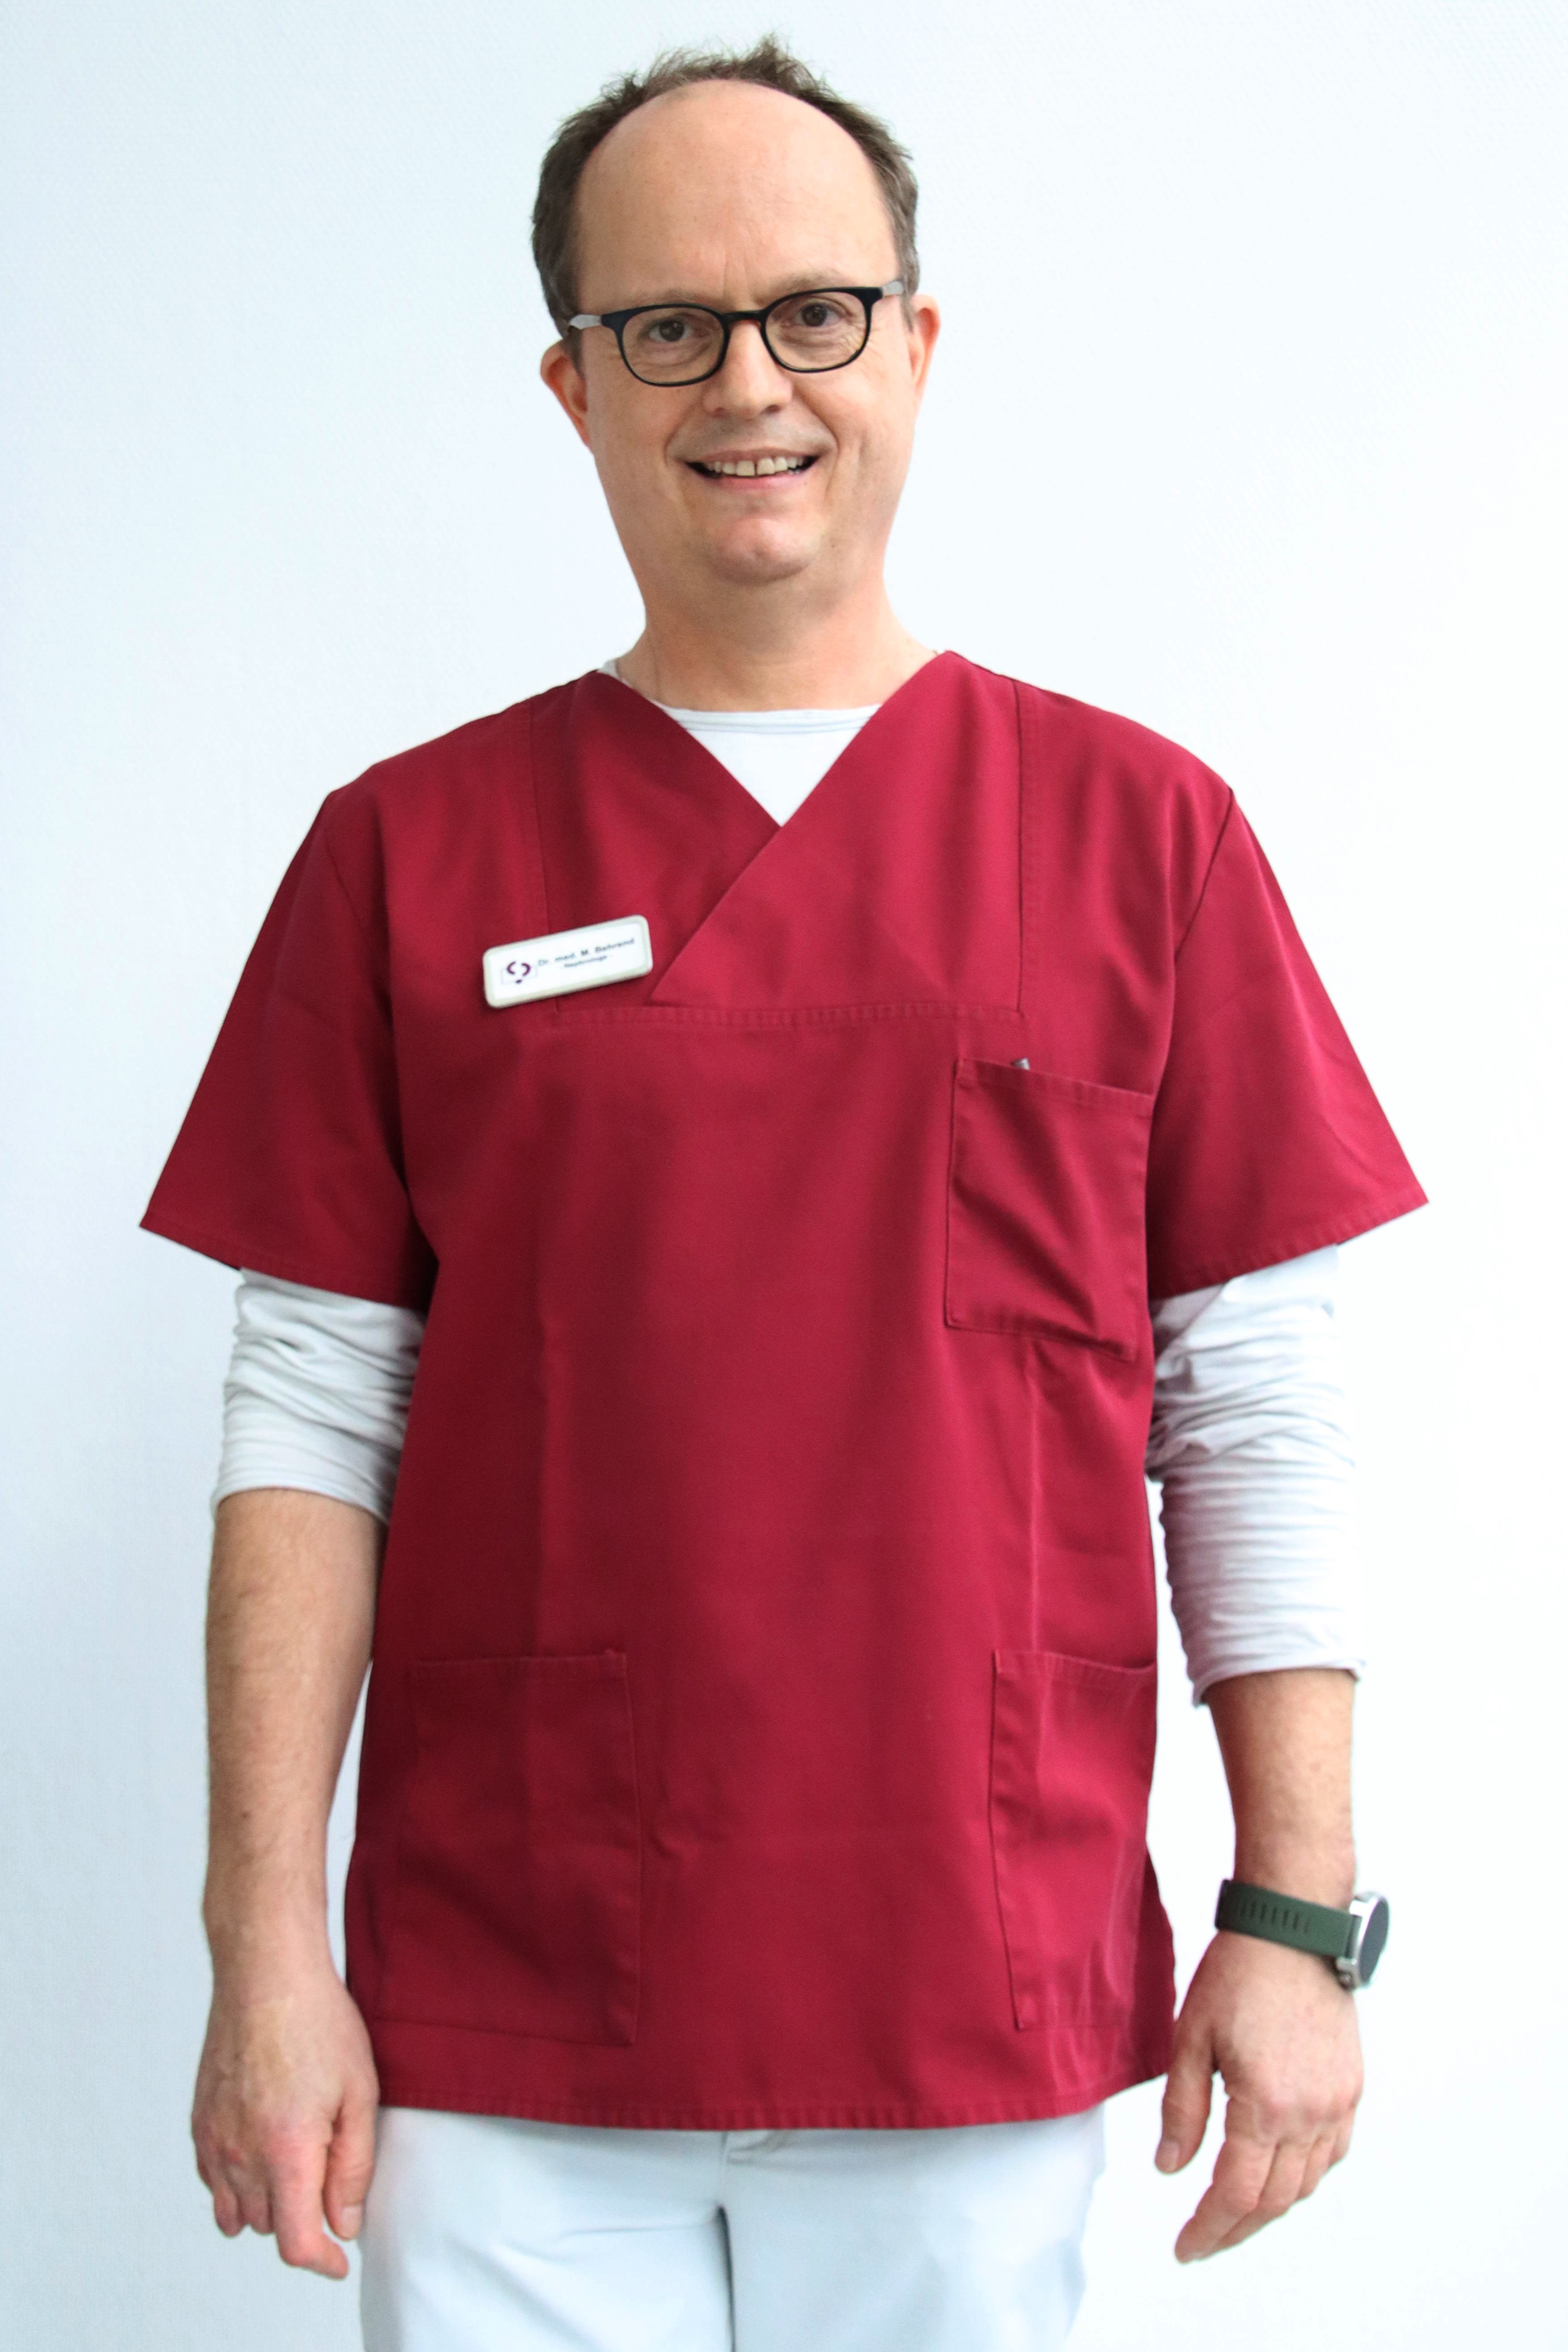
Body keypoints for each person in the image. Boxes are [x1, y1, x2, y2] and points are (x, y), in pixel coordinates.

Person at [143, 40, 1425, 2352]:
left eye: (815, 312)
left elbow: (1254, 1404)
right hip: (506, 2011)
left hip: (973, 1976)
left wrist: (1295, 1913)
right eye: (670, 325)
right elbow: (313, 1420)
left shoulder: (1142, 836)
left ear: (916, 345)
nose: (752, 383)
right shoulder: (406, 853)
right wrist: (264, 1946)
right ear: (574, 386)